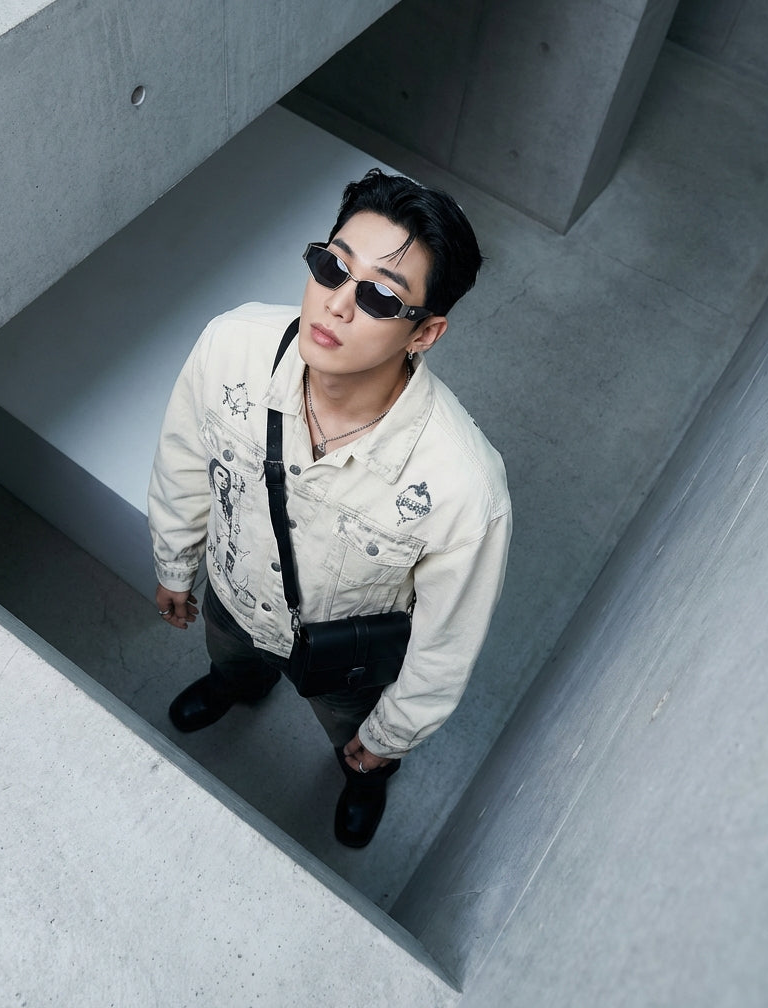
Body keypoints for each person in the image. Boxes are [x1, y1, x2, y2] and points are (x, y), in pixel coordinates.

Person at [148, 169, 511, 848]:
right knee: (231, 657)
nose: (337, 304)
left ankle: (364, 777)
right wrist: (175, 563)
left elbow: (446, 639)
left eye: (380, 295)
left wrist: (389, 737)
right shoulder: (231, 347)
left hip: (346, 662)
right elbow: (183, 456)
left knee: (354, 736)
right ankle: (235, 685)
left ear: (425, 333)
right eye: (332, 267)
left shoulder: (464, 486)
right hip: (232, 593)